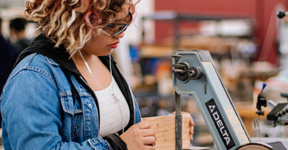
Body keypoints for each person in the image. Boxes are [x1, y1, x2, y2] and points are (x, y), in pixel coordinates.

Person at [0, 0, 194, 150]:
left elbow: (124, 130)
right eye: (113, 26)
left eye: (126, 23)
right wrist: (118, 146)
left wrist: (165, 127)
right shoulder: (32, 77)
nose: (121, 34)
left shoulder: (100, 58)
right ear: (78, 20)